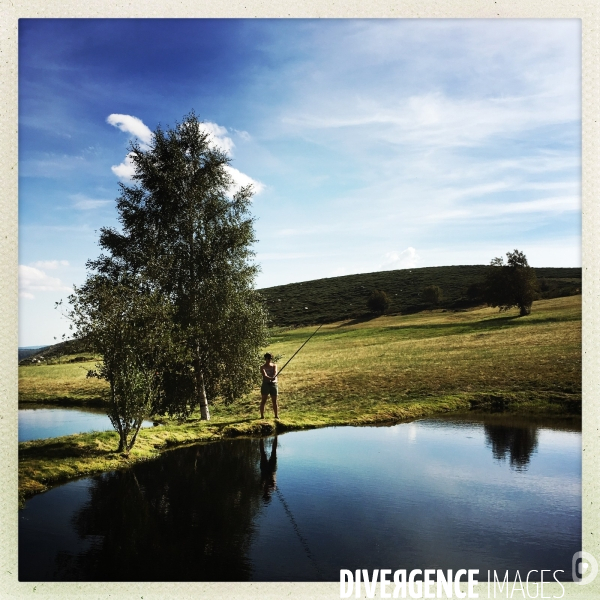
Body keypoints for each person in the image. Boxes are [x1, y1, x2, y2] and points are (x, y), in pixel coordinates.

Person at [260, 353, 279, 419]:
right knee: (263, 400)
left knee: (274, 401)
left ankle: (276, 416)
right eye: (268, 358)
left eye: (270, 358)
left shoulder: (274, 365)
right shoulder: (262, 367)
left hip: (273, 384)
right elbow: (264, 375)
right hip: (266, 384)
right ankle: (262, 416)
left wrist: (273, 378)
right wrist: (270, 378)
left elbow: (275, 373)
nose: (269, 360)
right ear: (265, 359)